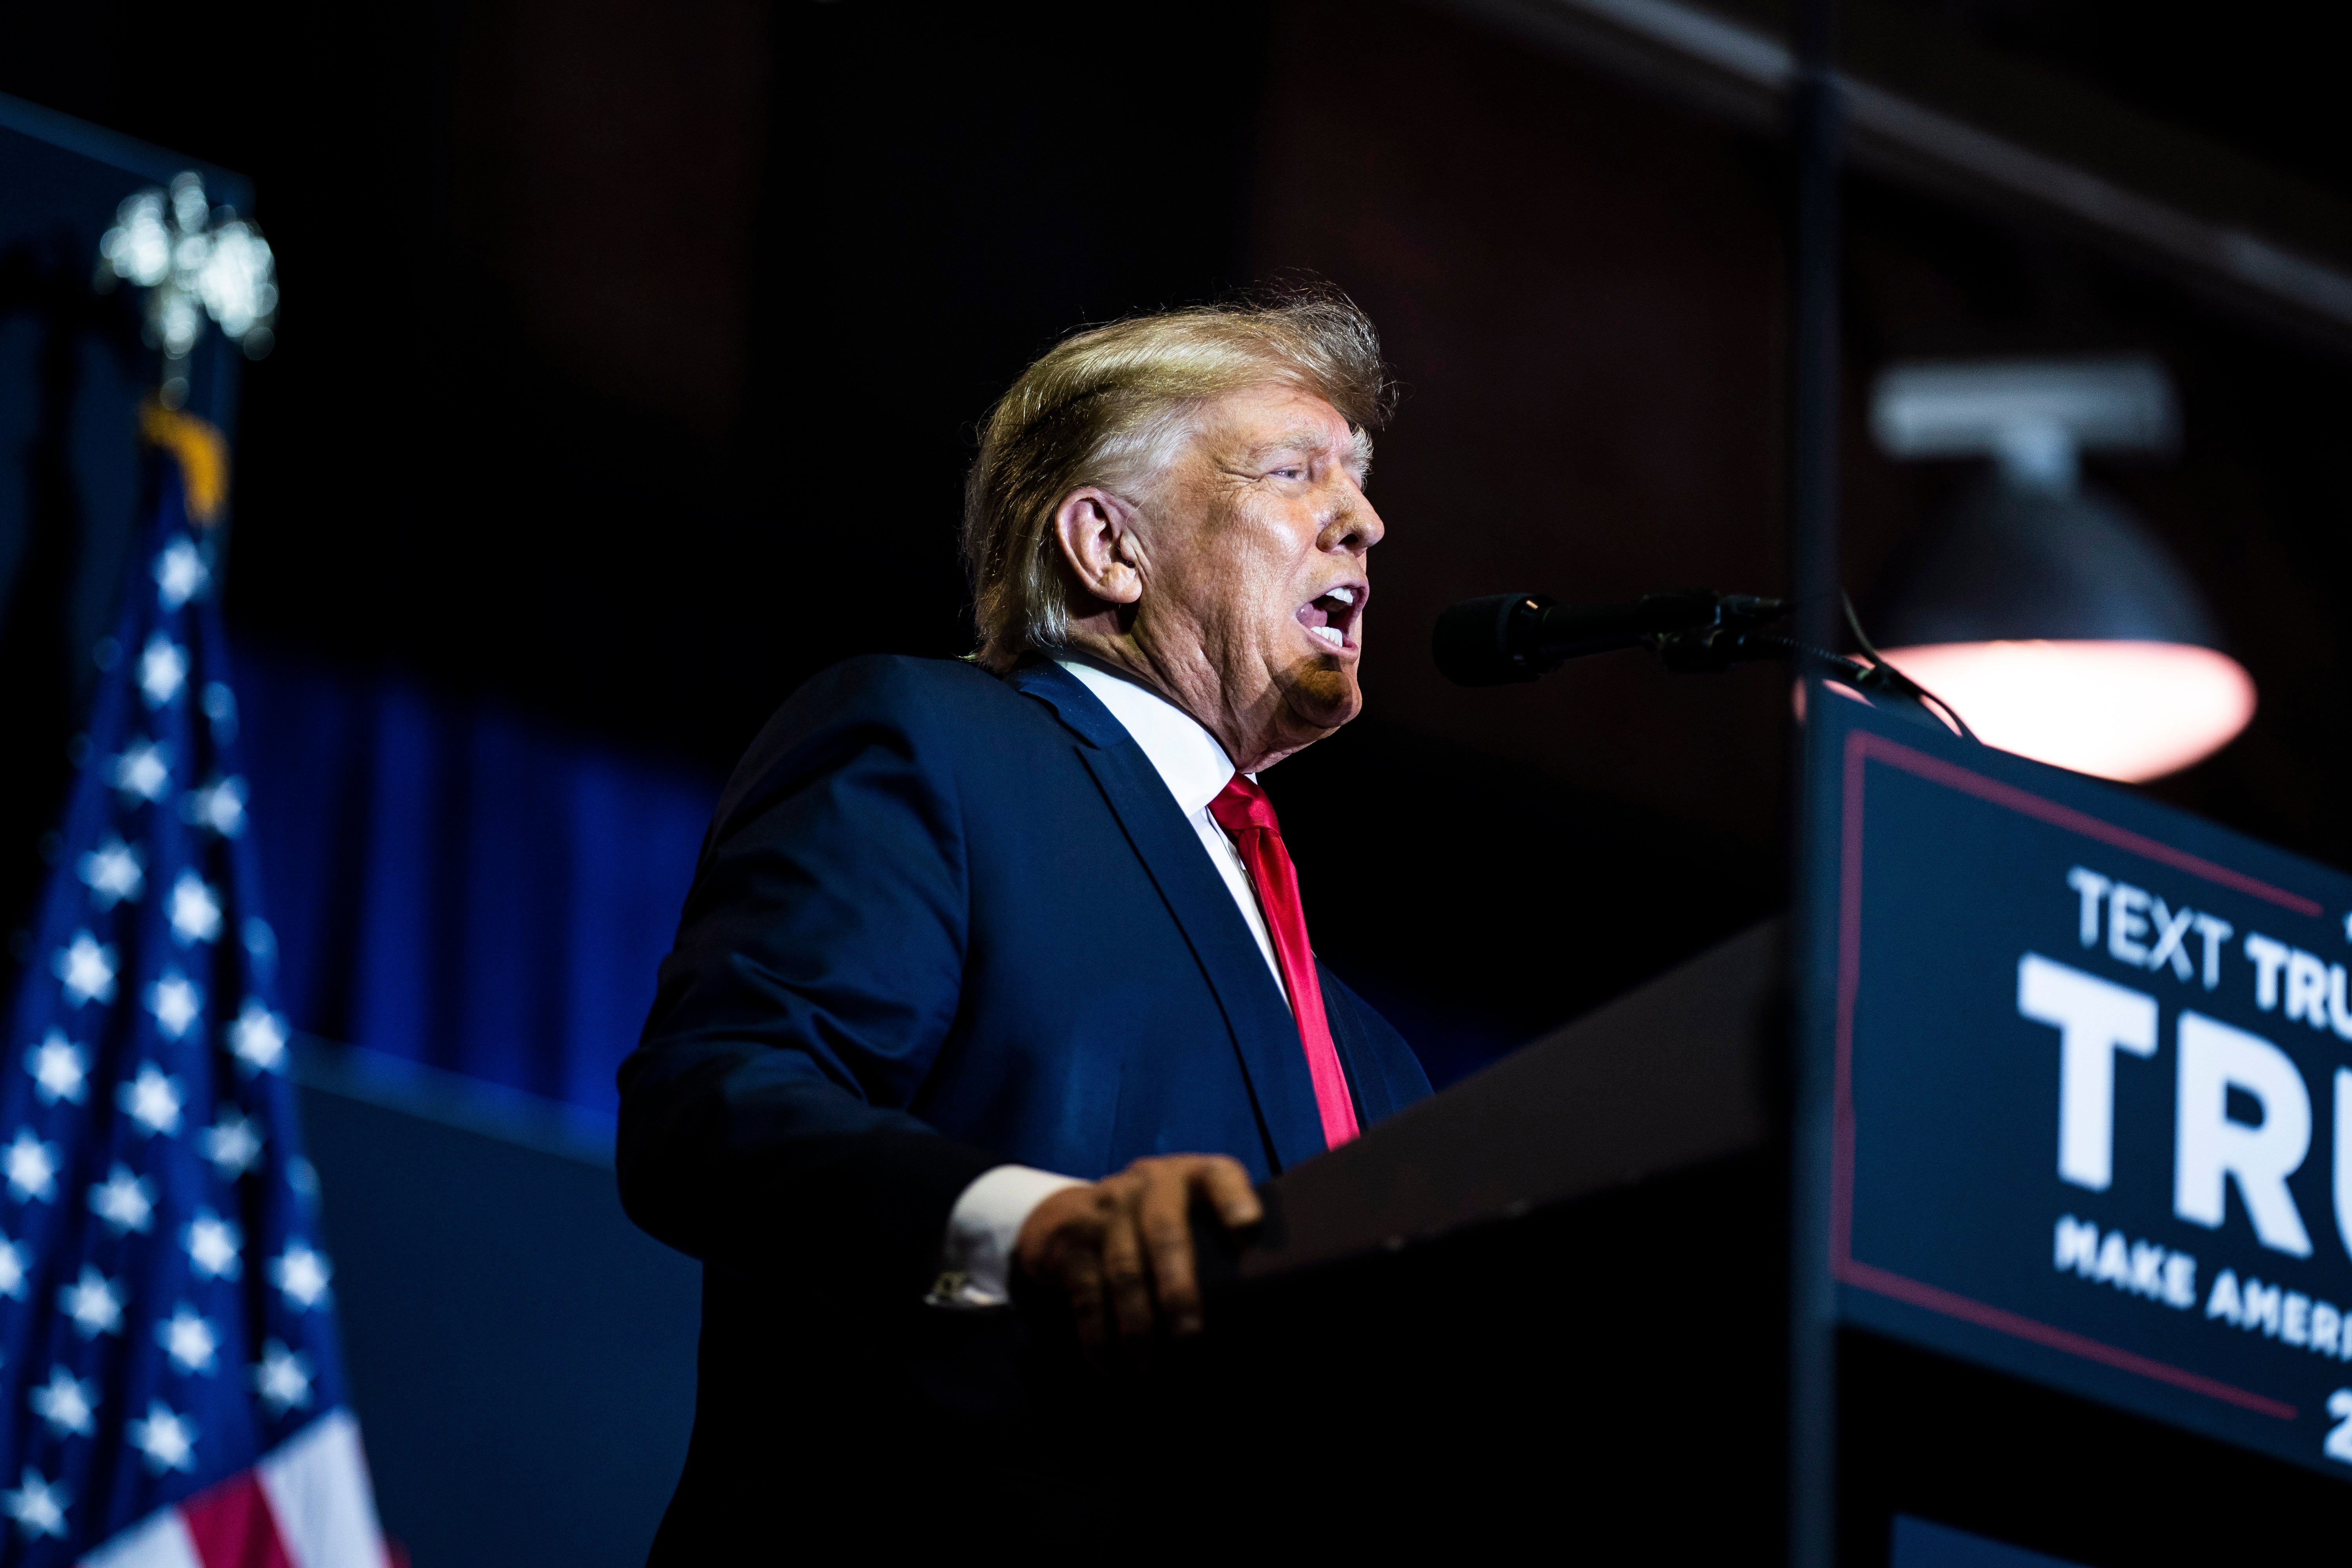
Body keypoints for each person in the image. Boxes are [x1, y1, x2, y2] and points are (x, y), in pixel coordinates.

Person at [616, 290, 1430, 1553]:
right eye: (1295, 471)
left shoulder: (1374, 1058)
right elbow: (715, 1108)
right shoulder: (934, 747)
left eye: (1361, 483)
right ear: (1110, 546)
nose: (1365, 520)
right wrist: (1038, 1229)